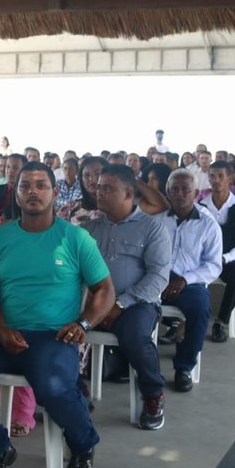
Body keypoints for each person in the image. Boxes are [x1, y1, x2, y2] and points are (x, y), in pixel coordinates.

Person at [0, 162, 115, 468]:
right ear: (17, 193)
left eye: (41, 185)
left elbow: (105, 290)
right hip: (2, 333)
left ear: (54, 192)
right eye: (25, 186)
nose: (33, 191)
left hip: (53, 336)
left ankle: (83, 446)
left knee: (51, 384)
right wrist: (1, 330)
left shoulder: (74, 238)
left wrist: (83, 323)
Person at [82, 165, 172, 430]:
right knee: (57, 331)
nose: (99, 192)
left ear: (129, 193)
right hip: (94, 302)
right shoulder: (90, 229)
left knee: (134, 336)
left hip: (137, 304)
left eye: (107, 188)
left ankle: (153, 394)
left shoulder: (152, 229)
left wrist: (120, 304)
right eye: (98, 187)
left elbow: (158, 277)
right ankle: (77, 394)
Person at [155, 170, 222, 392]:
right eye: (175, 189)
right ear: (167, 192)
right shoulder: (157, 221)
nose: (180, 193)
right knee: (133, 305)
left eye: (186, 189)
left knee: (200, 308)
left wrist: (185, 280)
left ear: (195, 193)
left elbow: (213, 265)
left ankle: (184, 368)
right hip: (157, 278)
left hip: (189, 281)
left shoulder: (208, 224)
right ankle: (136, 364)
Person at [198, 161, 235, 343]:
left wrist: (225, 257)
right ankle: (180, 323)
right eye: (212, 176)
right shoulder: (201, 206)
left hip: (230, 259)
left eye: (220, 176)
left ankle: (221, 321)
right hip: (204, 258)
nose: (216, 180)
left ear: (230, 178)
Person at [59, 156, 169, 226]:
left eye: (98, 173)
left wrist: (126, 178)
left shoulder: (123, 206)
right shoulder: (71, 208)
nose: (91, 179)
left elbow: (159, 205)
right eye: (86, 175)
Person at [0, 153, 25, 228]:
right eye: (8, 167)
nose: (10, 171)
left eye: (15, 168)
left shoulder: (26, 194)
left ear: (24, 170)